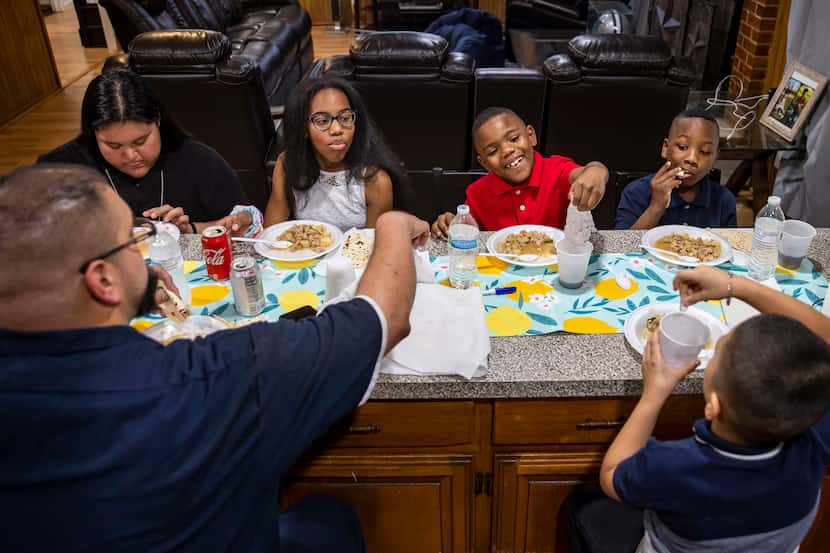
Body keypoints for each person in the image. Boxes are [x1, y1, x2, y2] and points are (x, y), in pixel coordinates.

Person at [0, 163, 430, 552]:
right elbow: (383, 317)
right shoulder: (212, 376)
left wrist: (133, 293)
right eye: (132, 243)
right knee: (329, 518)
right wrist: (391, 226)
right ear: (103, 279)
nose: (143, 253)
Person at [570, 266, 830, 553]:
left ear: (714, 406)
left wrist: (653, 396)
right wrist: (738, 286)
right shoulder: (816, 437)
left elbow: (611, 476)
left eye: (719, 351)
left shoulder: (676, 466)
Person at [38, 70, 261, 237]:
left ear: (158, 121)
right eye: (113, 146)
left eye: (141, 141)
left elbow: (240, 224)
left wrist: (188, 229)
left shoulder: (200, 162)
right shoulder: (60, 171)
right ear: (92, 134)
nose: (130, 155)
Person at [431, 107, 608, 237]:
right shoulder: (477, 193)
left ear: (531, 136)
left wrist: (596, 171)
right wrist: (449, 223)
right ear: (485, 163)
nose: (507, 150)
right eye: (493, 151)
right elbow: (466, 229)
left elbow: (586, 173)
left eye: (514, 138)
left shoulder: (556, 169)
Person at [265, 77, 410, 231]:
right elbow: (271, 235)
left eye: (345, 118)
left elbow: (374, 246)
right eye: (322, 121)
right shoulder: (288, 164)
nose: (337, 129)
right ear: (303, 129)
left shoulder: (376, 180)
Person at [615, 108, 737, 230]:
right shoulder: (635, 193)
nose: (692, 159)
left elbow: (731, 246)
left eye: (705, 152)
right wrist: (656, 206)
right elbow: (623, 246)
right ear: (665, 148)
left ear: (715, 158)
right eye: (682, 147)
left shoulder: (724, 200)